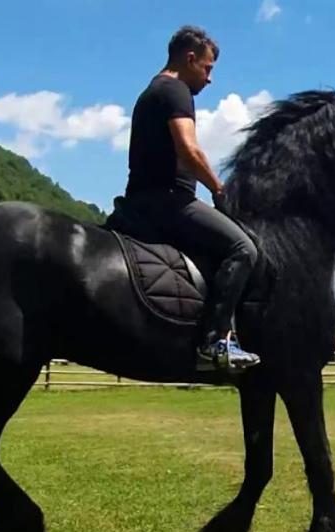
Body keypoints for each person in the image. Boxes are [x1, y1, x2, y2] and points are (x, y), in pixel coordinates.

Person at [124, 25, 260, 370]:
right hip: (169, 201)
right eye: (208, 68)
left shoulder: (151, 90)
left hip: (139, 199)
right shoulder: (176, 90)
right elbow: (188, 149)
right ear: (189, 59)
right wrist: (219, 189)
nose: (210, 79)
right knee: (243, 249)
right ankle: (214, 344)